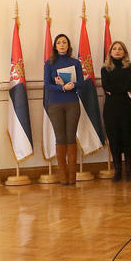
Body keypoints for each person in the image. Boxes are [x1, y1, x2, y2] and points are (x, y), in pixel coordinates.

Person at [43, 33, 84, 186]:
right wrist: (62, 87)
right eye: (59, 42)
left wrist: (73, 85)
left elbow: (82, 83)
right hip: (55, 104)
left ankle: (72, 177)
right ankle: (63, 177)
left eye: (64, 42)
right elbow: (47, 85)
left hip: (72, 103)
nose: (62, 45)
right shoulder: (49, 64)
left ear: (68, 45)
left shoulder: (75, 63)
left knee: (71, 138)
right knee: (60, 138)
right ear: (55, 46)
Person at [101, 41, 131, 182]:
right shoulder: (105, 69)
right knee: (114, 139)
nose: (117, 51)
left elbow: (129, 85)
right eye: (114, 49)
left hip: (127, 107)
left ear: (124, 52)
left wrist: (114, 89)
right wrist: (118, 88)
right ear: (110, 52)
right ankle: (118, 171)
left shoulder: (130, 67)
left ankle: (129, 170)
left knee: (128, 139)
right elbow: (106, 86)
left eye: (120, 49)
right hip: (111, 109)